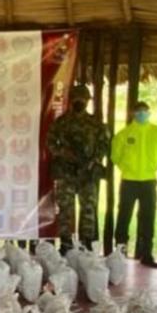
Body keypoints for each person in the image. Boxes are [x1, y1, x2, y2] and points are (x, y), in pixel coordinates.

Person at [47, 84, 109, 254]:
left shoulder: (95, 123)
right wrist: (63, 152)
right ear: (71, 100)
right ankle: (66, 243)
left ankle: (86, 244)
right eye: (76, 98)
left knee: (88, 208)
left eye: (82, 99)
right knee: (65, 209)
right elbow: (50, 142)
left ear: (88, 101)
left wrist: (94, 160)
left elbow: (104, 144)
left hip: (87, 173)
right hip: (66, 172)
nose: (79, 102)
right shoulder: (61, 122)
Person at [111, 101, 157, 268]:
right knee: (124, 216)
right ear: (132, 113)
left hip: (149, 181)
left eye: (145, 111)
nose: (142, 113)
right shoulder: (124, 134)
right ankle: (120, 253)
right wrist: (127, 168)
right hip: (129, 181)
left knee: (148, 217)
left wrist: (151, 167)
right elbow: (115, 156)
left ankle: (146, 254)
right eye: (138, 111)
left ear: (149, 113)